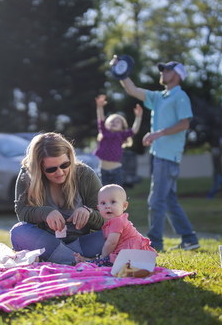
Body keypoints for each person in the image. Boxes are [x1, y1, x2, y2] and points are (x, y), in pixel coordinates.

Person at [112, 58, 200, 252]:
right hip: (159, 154)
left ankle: (155, 244)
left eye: (166, 70)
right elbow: (133, 90)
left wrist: (158, 133)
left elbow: (185, 123)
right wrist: (121, 71)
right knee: (169, 200)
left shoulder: (181, 96)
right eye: (162, 70)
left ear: (177, 75)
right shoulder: (160, 97)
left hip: (168, 156)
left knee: (156, 200)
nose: (162, 73)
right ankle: (189, 239)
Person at [10, 132, 105, 264]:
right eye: (51, 169)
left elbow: (107, 219)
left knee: (118, 233)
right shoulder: (27, 176)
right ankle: (77, 261)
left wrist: (89, 213)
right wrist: (45, 213)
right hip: (46, 243)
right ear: (39, 168)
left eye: (65, 165)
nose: (60, 172)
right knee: (19, 232)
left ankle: (60, 259)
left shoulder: (85, 174)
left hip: (81, 243)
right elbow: (22, 213)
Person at [74, 184, 156, 266]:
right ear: (98, 208)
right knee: (108, 259)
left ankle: (89, 262)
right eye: (103, 203)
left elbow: (111, 243)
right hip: (132, 254)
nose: (107, 206)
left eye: (113, 202)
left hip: (134, 252)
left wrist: (103, 255)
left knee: (106, 260)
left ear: (124, 206)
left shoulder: (117, 221)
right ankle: (89, 261)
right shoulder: (112, 222)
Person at [94, 94, 143, 186]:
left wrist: (138, 117)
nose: (114, 123)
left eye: (117, 122)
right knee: (102, 195)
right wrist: (99, 107)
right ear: (107, 124)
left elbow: (134, 130)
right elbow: (100, 119)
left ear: (122, 127)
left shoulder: (121, 135)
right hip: (102, 171)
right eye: (111, 121)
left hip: (116, 171)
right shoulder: (104, 132)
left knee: (116, 195)